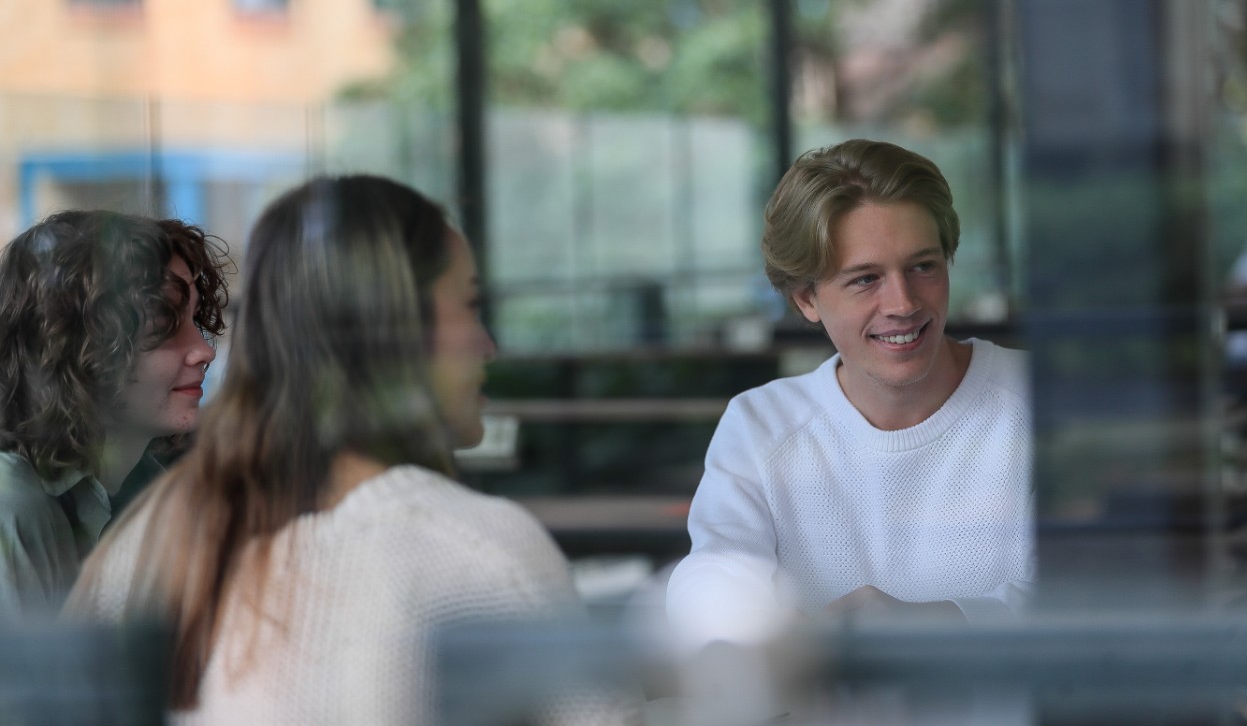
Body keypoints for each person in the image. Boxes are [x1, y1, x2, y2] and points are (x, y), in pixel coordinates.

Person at [69, 176, 631, 725]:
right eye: (468, 304)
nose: (488, 344)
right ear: (396, 327)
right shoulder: (474, 551)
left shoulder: (141, 546)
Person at [665, 138, 1034, 648]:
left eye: (923, 266)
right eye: (865, 279)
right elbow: (714, 571)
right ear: (805, 299)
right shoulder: (761, 425)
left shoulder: (1042, 403)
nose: (903, 303)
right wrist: (737, 623)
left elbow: (1099, 597)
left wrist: (936, 622)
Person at [0, 210, 229, 615]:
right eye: (165, 324)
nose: (205, 350)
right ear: (77, 346)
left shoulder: (150, 489)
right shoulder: (12, 507)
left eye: (193, 319)